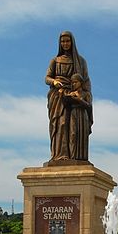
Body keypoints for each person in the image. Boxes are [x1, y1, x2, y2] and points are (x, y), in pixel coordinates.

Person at [45, 31, 93, 161]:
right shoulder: (55, 60)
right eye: (63, 41)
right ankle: (60, 155)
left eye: (67, 41)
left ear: (72, 42)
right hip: (58, 96)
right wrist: (54, 81)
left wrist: (85, 96)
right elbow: (47, 78)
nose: (65, 43)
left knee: (73, 127)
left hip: (75, 96)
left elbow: (86, 81)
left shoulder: (80, 61)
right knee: (60, 123)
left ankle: (74, 155)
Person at [64, 73, 93, 160]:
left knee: (82, 135)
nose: (73, 84)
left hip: (82, 114)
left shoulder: (86, 94)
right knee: (73, 134)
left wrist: (79, 99)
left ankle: (81, 157)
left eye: (75, 82)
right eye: (72, 83)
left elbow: (89, 106)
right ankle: (72, 156)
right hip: (73, 113)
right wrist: (67, 97)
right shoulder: (71, 93)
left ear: (80, 82)